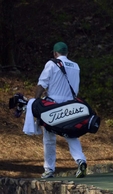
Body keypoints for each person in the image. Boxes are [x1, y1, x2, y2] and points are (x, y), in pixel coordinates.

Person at [34, 42, 87, 179]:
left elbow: (42, 84)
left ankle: (49, 169)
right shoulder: (75, 66)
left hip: (52, 106)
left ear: (54, 53)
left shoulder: (51, 64)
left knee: (49, 138)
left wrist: (36, 101)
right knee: (71, 134)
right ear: (67, 53)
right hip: (70, 106)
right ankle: (81, 160)